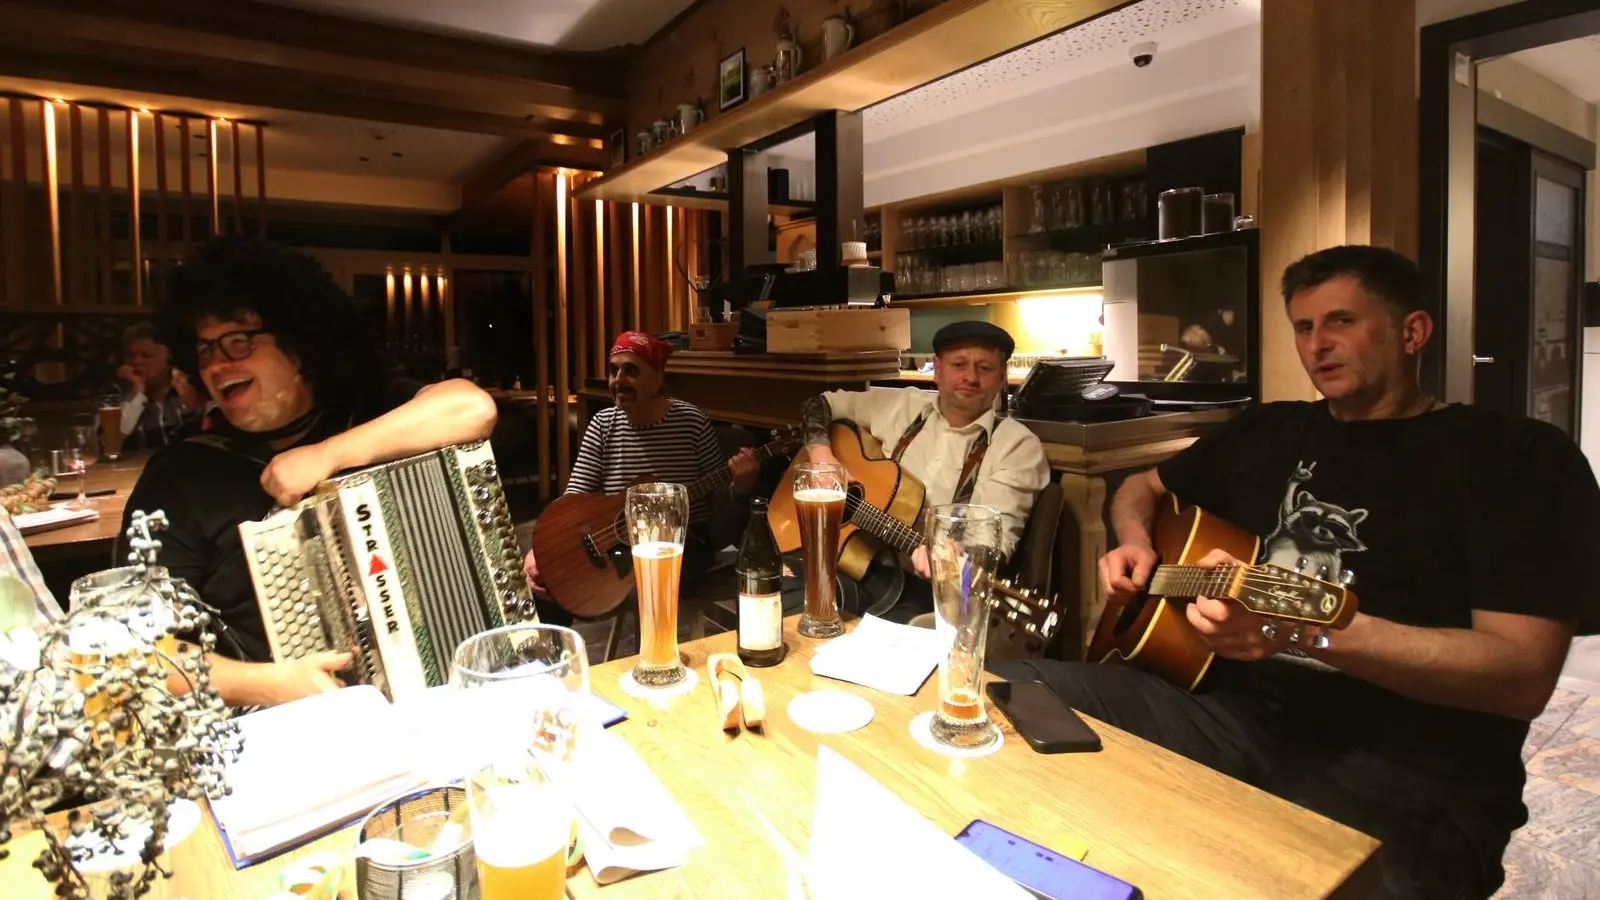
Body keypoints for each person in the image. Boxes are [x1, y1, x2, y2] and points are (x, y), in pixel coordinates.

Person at [993, 245, 1599, 899]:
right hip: (1227, 714)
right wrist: (1135, 541)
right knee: (1008, 693)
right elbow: (1139, 486)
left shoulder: (1516, 459)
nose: (1317, 345)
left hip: (1410, 768)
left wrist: (1304, 634)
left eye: (1341, 322)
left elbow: (1520, 678)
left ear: (1413, 331)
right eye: (1303, 327)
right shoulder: (1269, 430)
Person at [119, 235, 497, 709]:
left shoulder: (373, 413)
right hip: (275, 727)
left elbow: (471, 407)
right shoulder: (180, 477)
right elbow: (131, 648)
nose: (216, 364)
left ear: (299, 346)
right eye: (204, 351)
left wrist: (326, 455)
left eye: (238, 341)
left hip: (442, 700)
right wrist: (272, 684)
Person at [798, 320, 1050, 620]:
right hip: (851, 563)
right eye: (959, 364)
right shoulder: (903, 404)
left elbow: (994, 544)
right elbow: (818, 403)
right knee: (771, 596)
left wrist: (957, 554)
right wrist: (822, 457)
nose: (970, 377)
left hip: (926, 594)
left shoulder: (1017, 446)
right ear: (937, 369)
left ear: (1001, 377)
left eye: (984, 368)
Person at [523, 331, 759, 622]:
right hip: (618, 544)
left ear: (656, 380)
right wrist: (543, 550)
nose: (618, 380)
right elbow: (575, 495)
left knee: (644, 585)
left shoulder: (692, 423)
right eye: (613, 370)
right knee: (542, 582)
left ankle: (650, 666)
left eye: (631, 370)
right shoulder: (602, 425)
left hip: (684, 542)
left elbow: (721, 502)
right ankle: (554, 663)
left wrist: (741, 488)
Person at [114, 322, 206, 451]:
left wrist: (194, 403)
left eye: (146, 356)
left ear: (169, 360)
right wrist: (137, 394)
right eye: (130, 356)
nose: (136, 362)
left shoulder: (190, 391)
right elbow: (108, 444)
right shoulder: (117, 396)